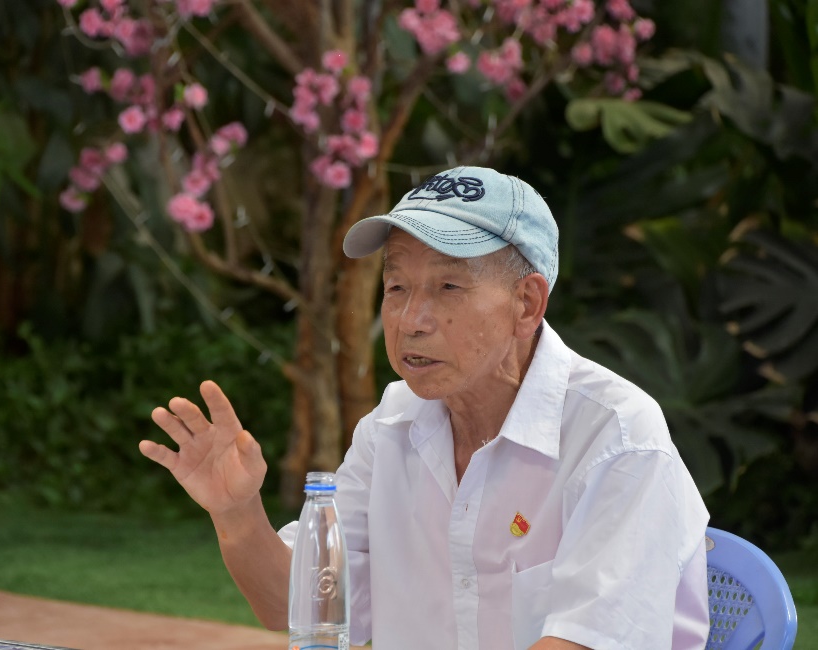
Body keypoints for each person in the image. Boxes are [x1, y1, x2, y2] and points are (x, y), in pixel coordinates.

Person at [140, 166, 710, 650]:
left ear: (527, 303)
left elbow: (588, 641)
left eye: (448, 288)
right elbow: (305, 607)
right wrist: (237, 513)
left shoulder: (616, 435)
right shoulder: (392, 425)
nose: (411, 320)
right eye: (396, 288)